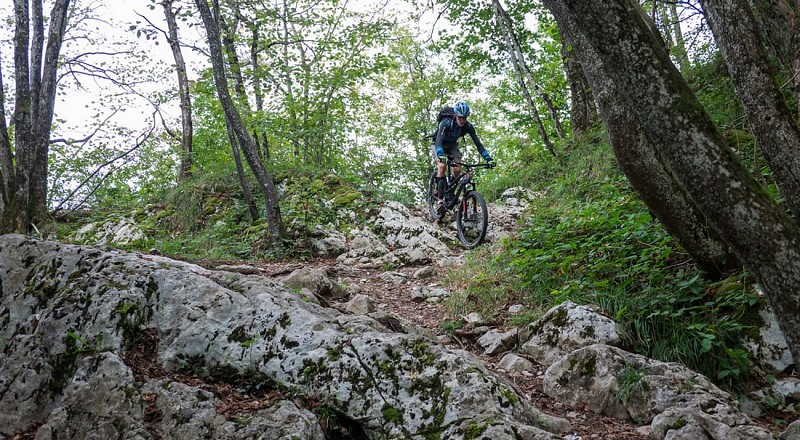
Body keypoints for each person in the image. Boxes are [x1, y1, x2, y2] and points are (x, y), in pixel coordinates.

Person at [433, 101, 495, 213]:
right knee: (442, 166)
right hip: (440, 145)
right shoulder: (446, 123)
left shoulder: (468, 126)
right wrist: (440, 154)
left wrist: (488, 158)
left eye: (465, 118)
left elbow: (478, 144)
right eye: (460, 117)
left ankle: (451, 192)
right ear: (456, 116)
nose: (462, 120)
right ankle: (440, 199)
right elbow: (438, 140)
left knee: (458, 169)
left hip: (452, 146)